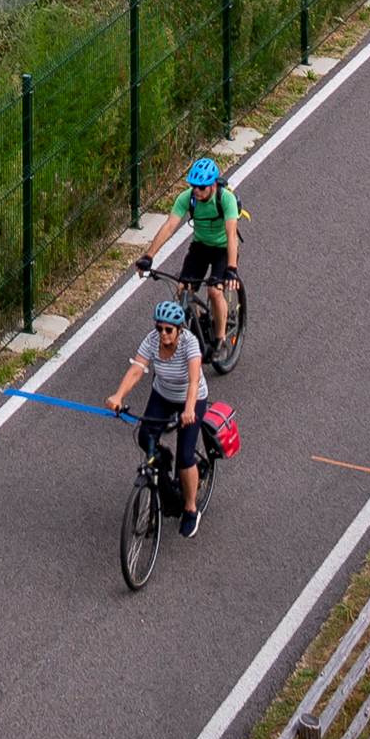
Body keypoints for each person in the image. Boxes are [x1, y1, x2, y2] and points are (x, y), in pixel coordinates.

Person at [109, 294, 217, 535]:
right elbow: (137, 369)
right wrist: (118, 396)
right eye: (159, 328)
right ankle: (162, 471)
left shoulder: (190, 344)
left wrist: (189, 409)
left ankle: (190, 509)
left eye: (169, 329)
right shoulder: (152, 341)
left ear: (179, 329)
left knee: (186, 457)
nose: (163, 334)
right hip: (163, 394)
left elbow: (193, 381)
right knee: (144, 435)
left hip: (191, 399)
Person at [144, 154, 243, 342]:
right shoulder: (187, 198)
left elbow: (231, 235)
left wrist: (231, 269)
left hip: (223, 249)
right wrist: (148, 256)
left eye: (202, 187)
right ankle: (199, 324)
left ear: (213, 185)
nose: (196, 191)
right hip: (200, 246)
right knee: (183, 289)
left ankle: (219, 339)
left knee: (214, 290)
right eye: (193, 186)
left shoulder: (226, 199)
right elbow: (169, 226)